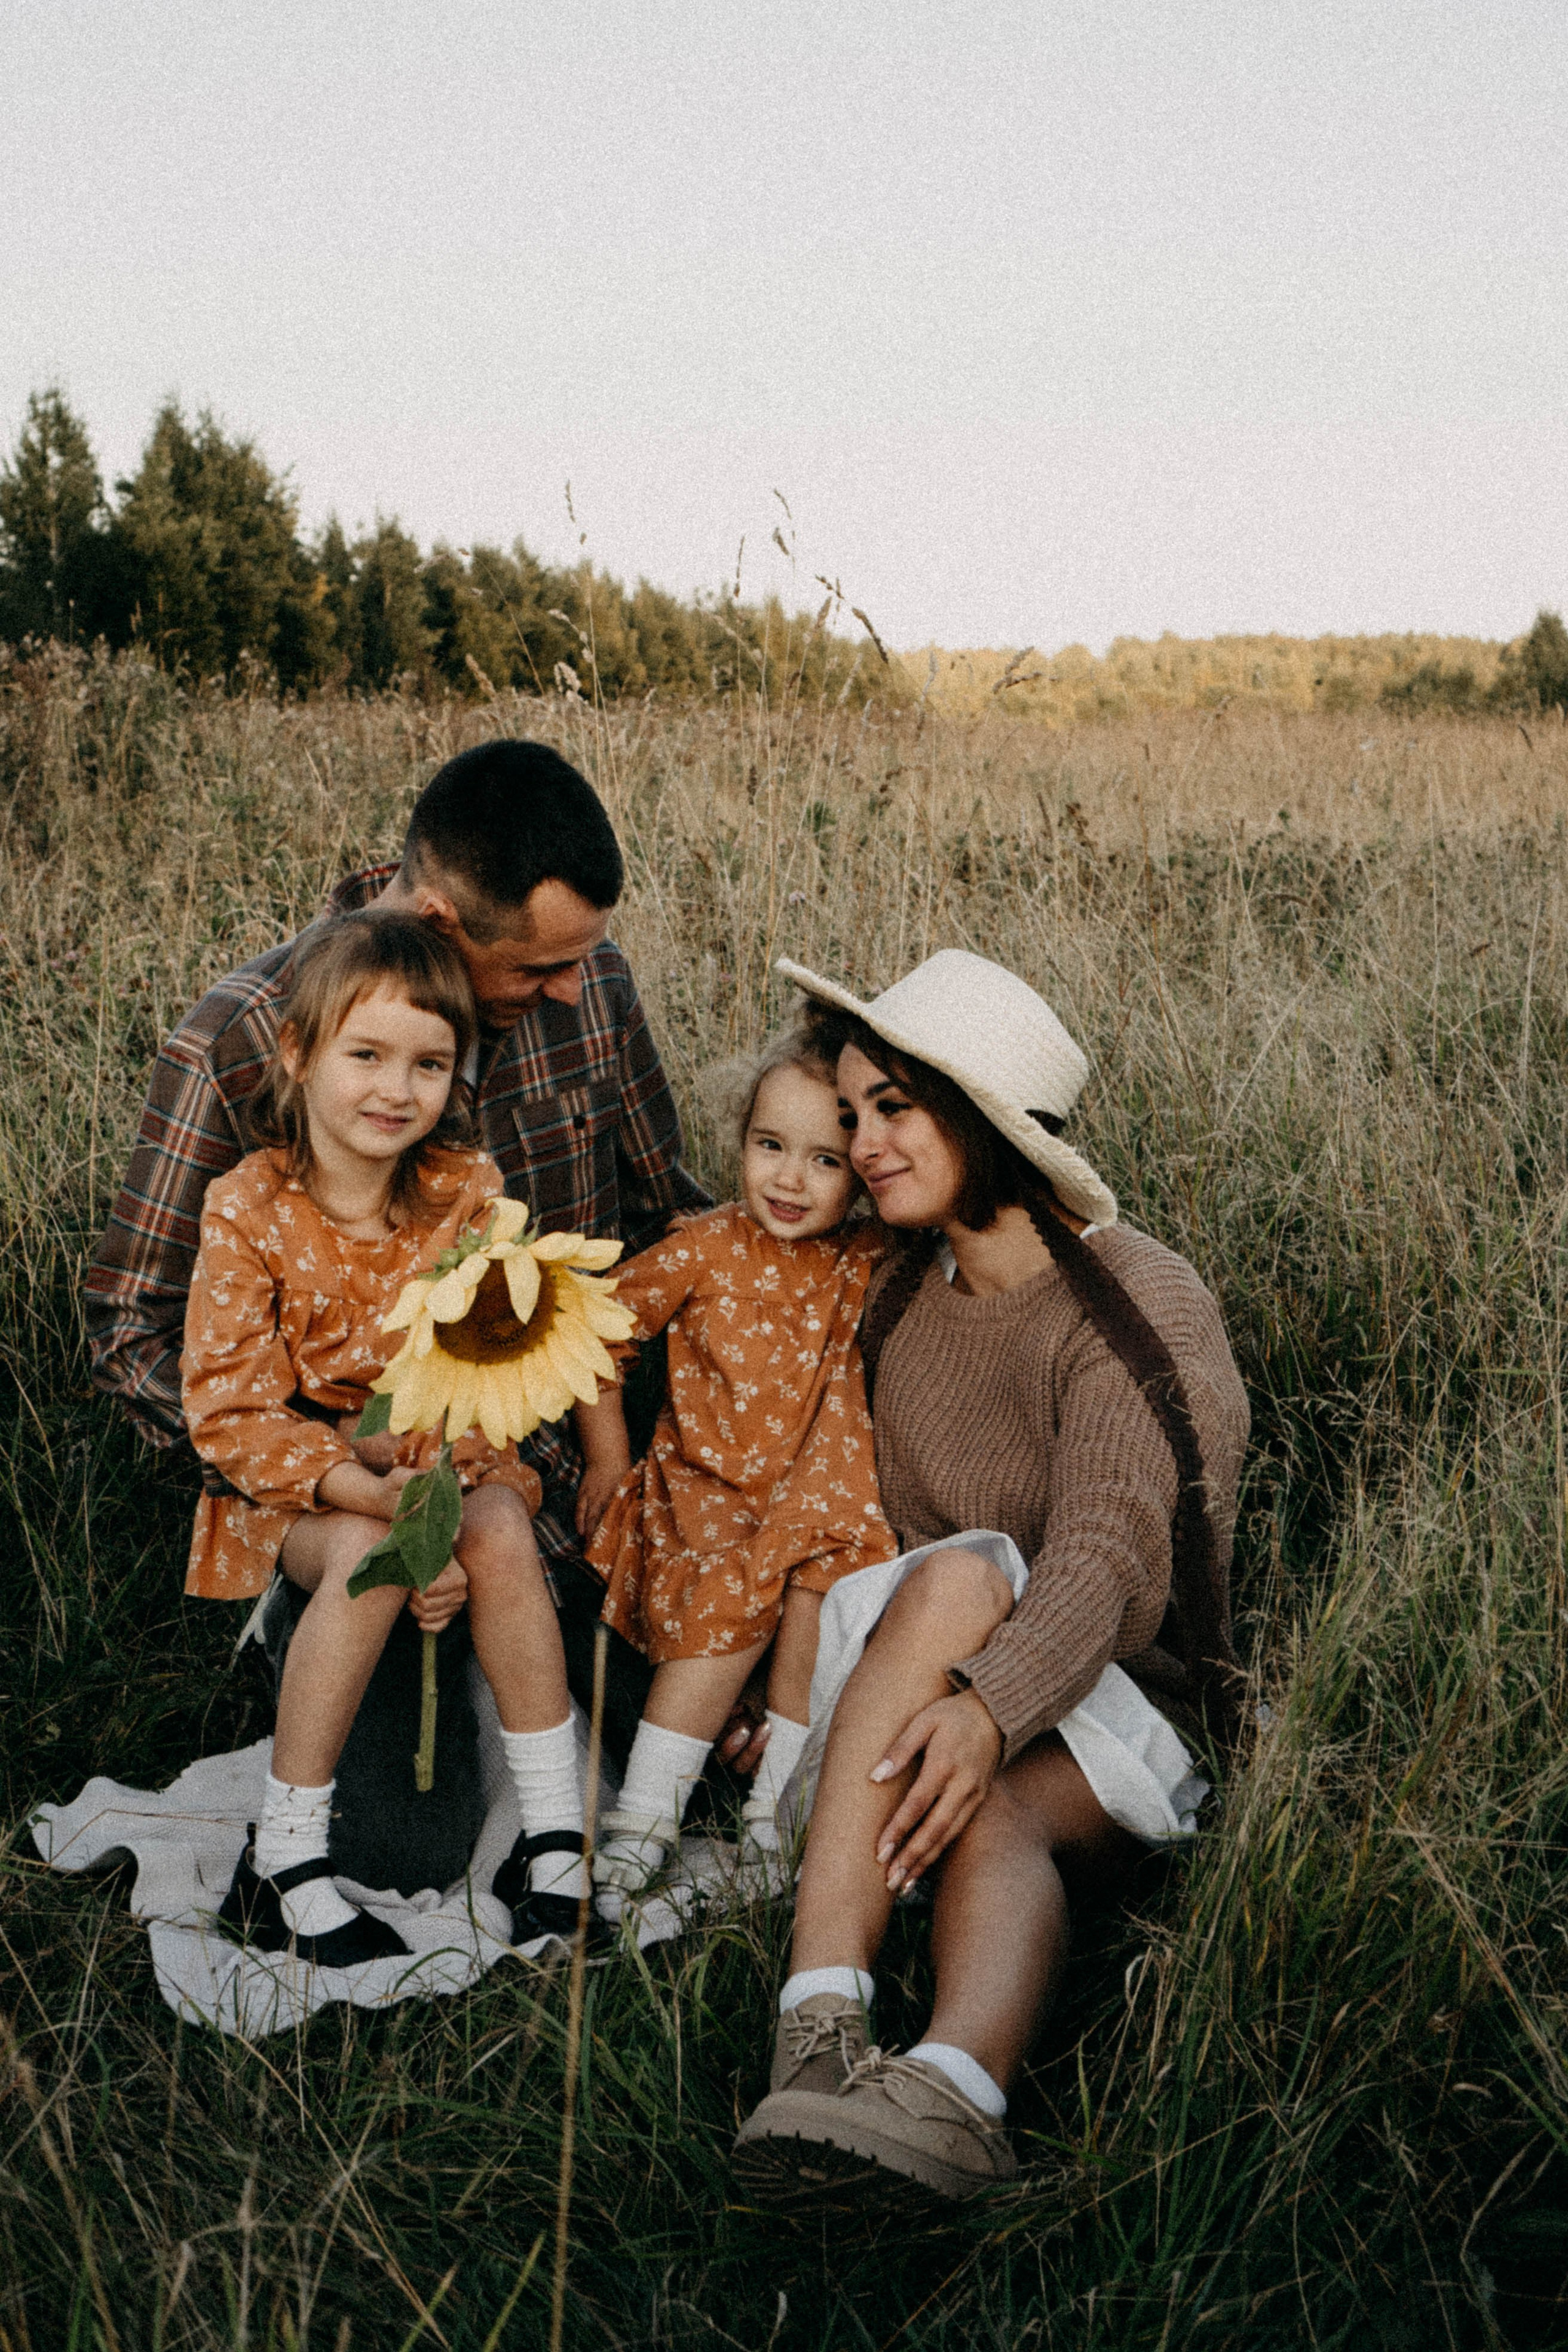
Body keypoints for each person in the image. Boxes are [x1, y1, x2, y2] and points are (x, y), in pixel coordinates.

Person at [731, 949, 1250, 2206]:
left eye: (893, 1110)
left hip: (1130, 1705)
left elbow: (1112, 1552)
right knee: (964, 1648)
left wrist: (985, 1705)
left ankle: (912, 2070)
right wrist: (798, 1704)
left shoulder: (1137, 1301)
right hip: (947, 1691)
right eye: (850, 1114)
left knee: (974, 1630)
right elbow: (858, 1539)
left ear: (984, 1116)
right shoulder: (901, 1302)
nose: (859, 1144)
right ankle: (861, 2052)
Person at [86, 737, 708, 1743]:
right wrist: (347, 1472)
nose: (568, 989)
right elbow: (130, 1330)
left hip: (561, 1464)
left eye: (581, 960)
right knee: (401, 1843)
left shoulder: (587, 985)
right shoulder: (243, 1039)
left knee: (680, 1728)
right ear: (437, 923)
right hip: (364, 1501)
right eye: (538, 967)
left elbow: (661, 1217)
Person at [183, 911, 595, 1964]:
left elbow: (486, 1380)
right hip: (302, 1498)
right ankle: (284, 1857)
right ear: (298, 1054)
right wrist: (375, 1500)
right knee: (369, 1559)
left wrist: (439, 1507)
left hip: (441, 1479)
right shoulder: (248, 1206)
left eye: (428, 1064)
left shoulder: (468, 1195)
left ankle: (552, 1843)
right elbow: (230, 1408)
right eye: (365, 1055)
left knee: (501, 1526)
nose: (394, 1090)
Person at [571, 1026, 899, 1904]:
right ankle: (642, 1824)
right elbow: (596, 1333)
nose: (789, 1180)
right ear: (740, 1143)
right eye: (770, 1147)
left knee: (815, 1619)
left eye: (825, 1162)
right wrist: (608, 1457)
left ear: (862, 1175)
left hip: (821, 1503)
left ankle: (774, 1830)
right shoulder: (706, 1247)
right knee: (726, 1600)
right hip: (710, 1494)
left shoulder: (868, 1256)